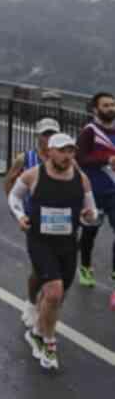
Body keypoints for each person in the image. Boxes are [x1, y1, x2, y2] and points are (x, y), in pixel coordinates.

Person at [8, 133, 98, 371]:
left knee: (57, 296)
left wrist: (89, 217)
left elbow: (92, 212)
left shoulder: (82, 179)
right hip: (40, 241)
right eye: (62, 150)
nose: (67, 156)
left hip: (67, 243)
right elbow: (14, 197)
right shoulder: (34, 174)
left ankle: (37, 331)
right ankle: (49, 341)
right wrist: (20, 216)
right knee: (55, 291)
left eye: (71, 151)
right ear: (49, 152)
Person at [3, 117, 60, 326]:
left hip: (61, 221)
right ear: (38, 136)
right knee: (40, 267)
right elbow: (9, 181)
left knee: (58, 268)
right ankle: (31, 302)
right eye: (45, 134)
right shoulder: (25, 158)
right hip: (34, 221)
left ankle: (48, 303)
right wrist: (17, 212)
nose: (49, 138)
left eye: (53, 134)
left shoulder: (66, 159)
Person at [75, 91, 115, 292]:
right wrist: (106, 160)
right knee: (90, 233)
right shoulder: (89, 131)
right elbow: (80, 158)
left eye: (112, 105)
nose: (111, 108)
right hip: (95, 192)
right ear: (96, 109)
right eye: (106, 105)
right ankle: (85, 268)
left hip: (114, 192)